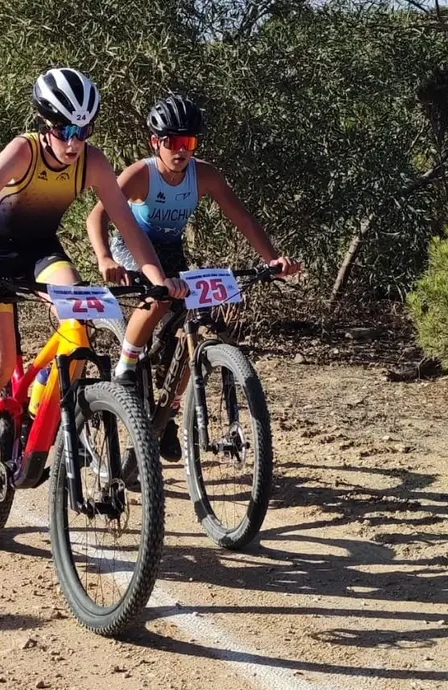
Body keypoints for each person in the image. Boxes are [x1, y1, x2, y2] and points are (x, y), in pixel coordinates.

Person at [0, 69, 189, 511]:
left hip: (41, 251)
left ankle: (46, 403)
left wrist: (156, 279)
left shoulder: (93, 162)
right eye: (65, 130)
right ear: (46, 125)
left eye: (84, 130)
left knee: (79, 329)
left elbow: (128, 226)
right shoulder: (24, 152)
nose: (74, 141)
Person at [86, 94, 301, 462]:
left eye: (189, 143)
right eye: (172, 142)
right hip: (133, 246)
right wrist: (105, 256)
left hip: (170, 250)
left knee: (191, 328)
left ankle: (167, 416)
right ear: (156, 142)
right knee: (160, 296)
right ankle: (126, 366)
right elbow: (97, 217)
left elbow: (242, 218)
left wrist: (272, 259)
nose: (181, 150)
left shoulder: (205, 175)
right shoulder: (142, 174)